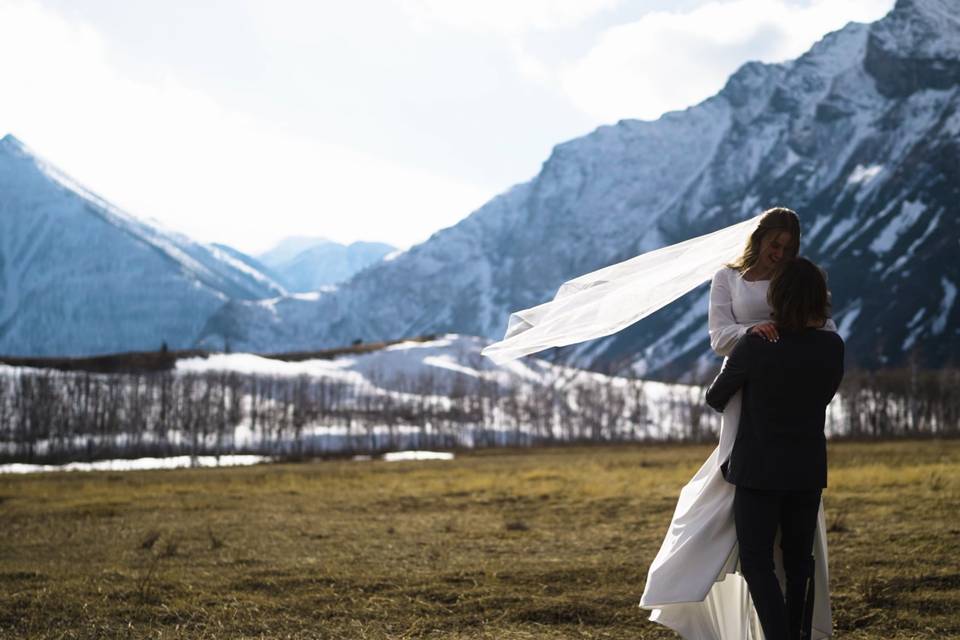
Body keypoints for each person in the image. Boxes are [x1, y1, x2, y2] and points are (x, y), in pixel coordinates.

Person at [639, 208, 837, 640]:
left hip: (771, 392)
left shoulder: (796, 280)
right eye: (774, 246)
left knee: (767, 532)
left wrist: (779, 336)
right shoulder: (728, 279)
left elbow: (819, 322)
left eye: (788, 248)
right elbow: (718, 337)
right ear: (759, 239)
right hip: (754, 395)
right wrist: (756, 333)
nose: (779, 254)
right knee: (738, 489)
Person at [705, 257, 844, 639]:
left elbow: (716, 396)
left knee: (757, 561)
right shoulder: (832, 346)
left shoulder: (756, 345)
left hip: (757, 469)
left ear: (778, 297)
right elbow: (825, 395)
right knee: (800, 562)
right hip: (807, 468)